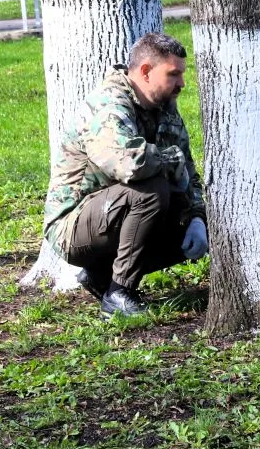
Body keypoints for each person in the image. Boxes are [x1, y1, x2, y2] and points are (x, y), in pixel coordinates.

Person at [42, 32, 209, 318]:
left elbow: (188, 173)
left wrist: (197, 218)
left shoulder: (165, 110)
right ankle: (119, 293)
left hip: (113, 216)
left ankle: (101, 275)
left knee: (197, 217)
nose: (182, 83)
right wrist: (172, 159)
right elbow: (129, 164)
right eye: (173, 74)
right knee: (153, 190)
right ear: (145, 71)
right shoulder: (108, 104)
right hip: (71, 226)